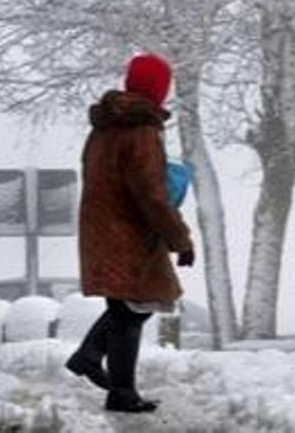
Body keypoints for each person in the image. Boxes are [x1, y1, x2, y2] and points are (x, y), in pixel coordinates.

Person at [65, 53, 195, 414]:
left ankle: (100, 370)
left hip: (101, 229)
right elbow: (152, 195)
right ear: (158, 90)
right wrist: (180, 240)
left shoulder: (104, 128)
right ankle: (109, 379)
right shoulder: (142, 131)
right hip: (129, 234)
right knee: (132, 309)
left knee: (127, 309)